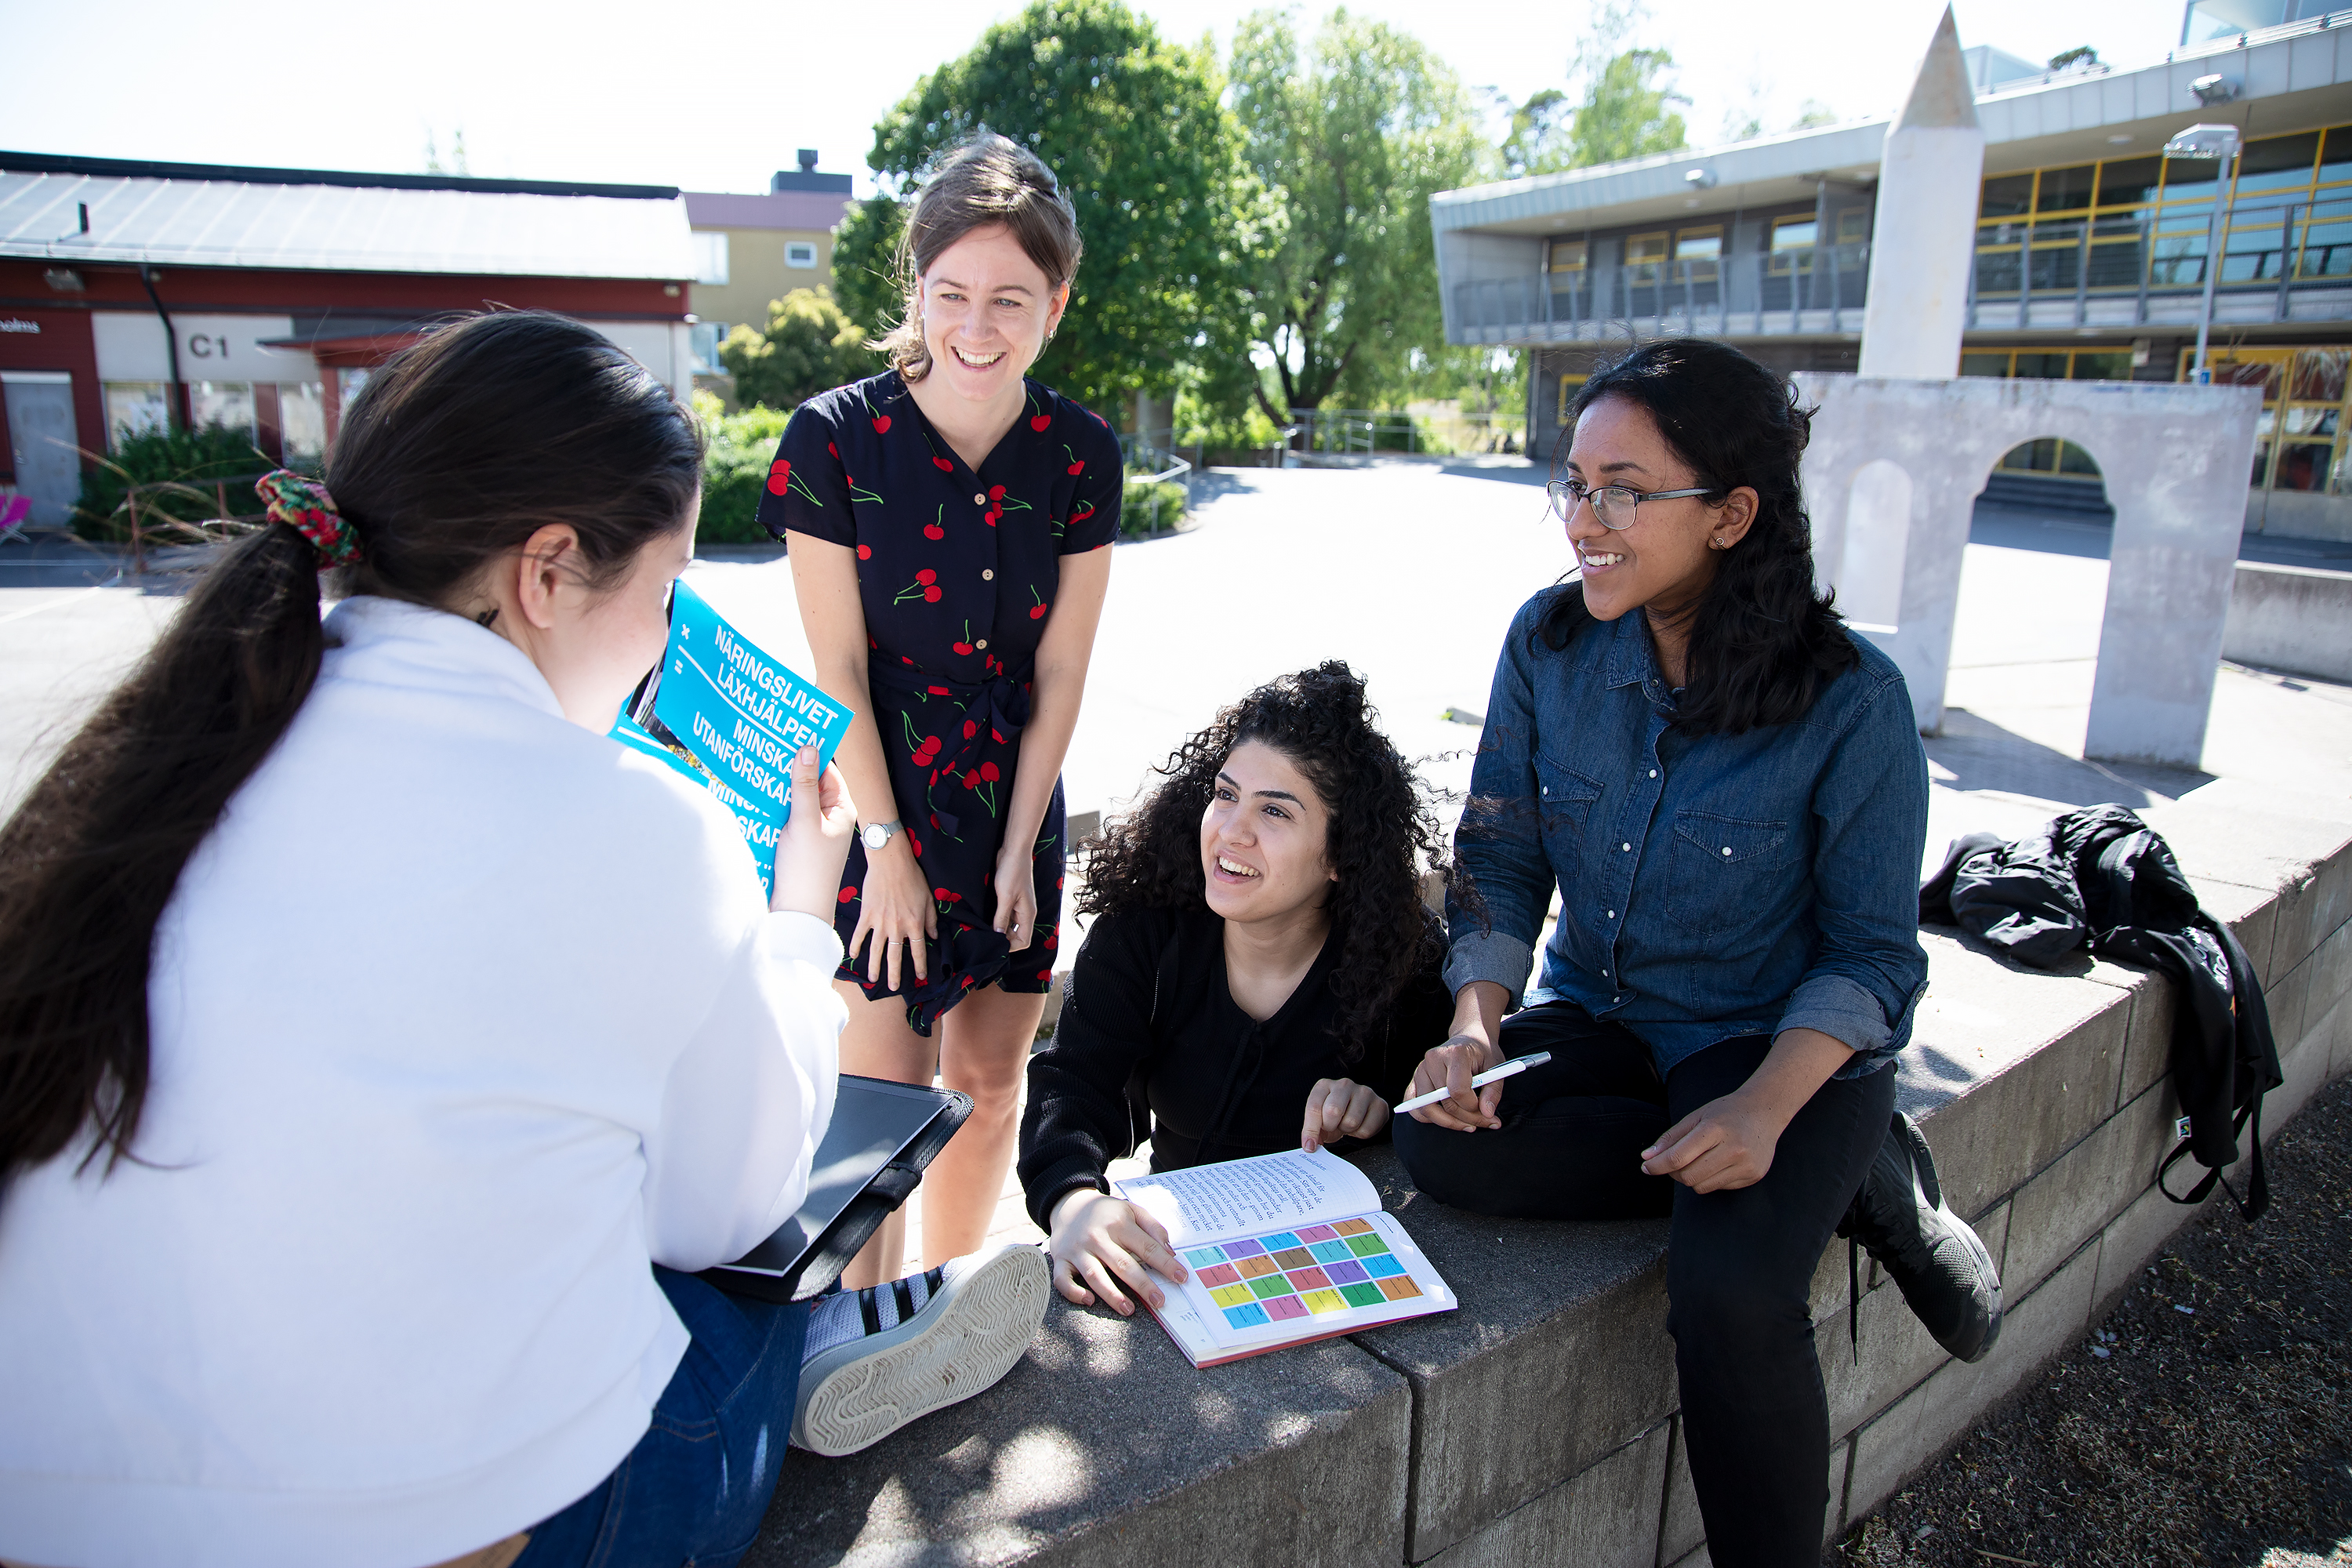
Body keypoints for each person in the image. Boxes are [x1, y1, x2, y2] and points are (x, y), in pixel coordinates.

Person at [0, 311, 1047, 1568]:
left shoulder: (171, 763)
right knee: (745, 1286)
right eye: (664, 595)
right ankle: (830, 1346)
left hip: (65, 1513)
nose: (668, 639)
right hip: (458, 1532)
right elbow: (733, 1208)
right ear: (547, 572)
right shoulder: (642, 827)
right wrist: (792, 911)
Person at [1395, 339, 2002, 1568]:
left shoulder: (1854, 700)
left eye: (1623, 489)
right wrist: (1475, 1024)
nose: (1584, 521)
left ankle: (1852, 1150)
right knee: (1432, 1139)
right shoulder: (1550, 645)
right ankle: (1837, 1171)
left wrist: (1777, 1112)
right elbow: (1502, 855)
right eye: (1573, 484)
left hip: (1768, 1041)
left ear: (1732, 514)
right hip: (1603, 1013)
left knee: (1728, 1299)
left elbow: (1875, 957)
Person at [761, 132, 1121, 1290]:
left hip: (1016, 791)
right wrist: (887, 849)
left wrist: (1020, 843)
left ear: (1056, 304)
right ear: (913, 287)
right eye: (952, 292)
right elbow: (837, 673)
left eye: (1011, 298)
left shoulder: (1081, 454)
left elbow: (1062, 669)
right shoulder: (832, 438)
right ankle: (867, 1342)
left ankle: (951, 1309)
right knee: (879, 1105)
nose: (978, 326)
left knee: (991, 1079)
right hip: (881, 792)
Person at [1018, 663, 1457, 1316]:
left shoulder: (1400, 957)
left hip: (1322, 1267)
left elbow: (1441, 1117)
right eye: (1226, 795)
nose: (1231, 830)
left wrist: (1379, 1110)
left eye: (1275, 811)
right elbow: (1070, 1087)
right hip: (1180, 1255)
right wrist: (1075, 1201)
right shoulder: (1142, 935)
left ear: (1341, 855)